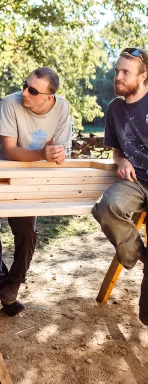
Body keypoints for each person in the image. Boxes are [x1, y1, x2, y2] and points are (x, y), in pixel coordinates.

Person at [0, 67, 72, 316]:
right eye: (24, 85)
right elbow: (10, 151)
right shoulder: (10, 103)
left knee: (27, 229)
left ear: (49, 98)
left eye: (32, 90)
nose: (24, 93)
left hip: (26, 174)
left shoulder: (62, 109)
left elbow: (62, 150)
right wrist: (42, 154)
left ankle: (13, 284)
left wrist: (58, 154)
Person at [92, 48, 148, 325]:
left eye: (126, 72)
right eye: (117, 71)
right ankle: (142, 257)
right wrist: (122, 160)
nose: (119, 76)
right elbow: (116, 151)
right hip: (135, 181)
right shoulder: (115, 108)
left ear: (143, 75)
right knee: (106, 207)